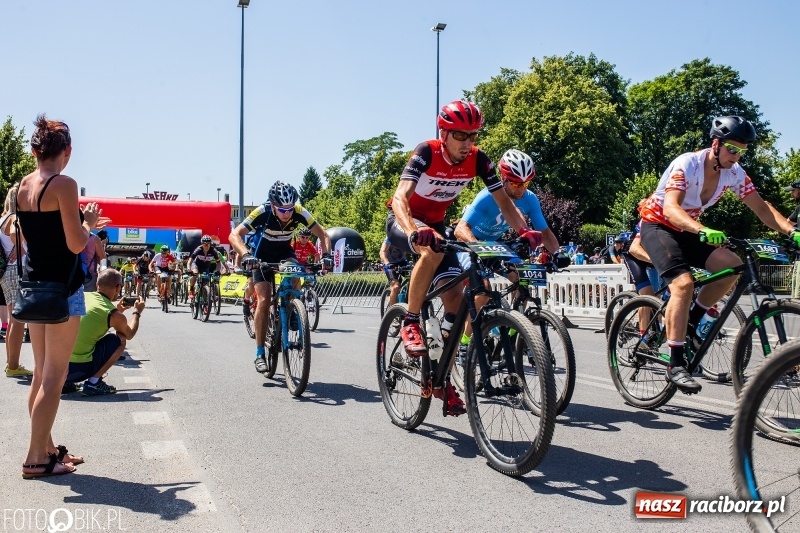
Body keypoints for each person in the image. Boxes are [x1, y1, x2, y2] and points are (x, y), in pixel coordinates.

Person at [385, 102, 541, 416]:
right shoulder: (426, 153)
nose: (467, 142)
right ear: (443, 133)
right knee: (430, 250)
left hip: (440, 226)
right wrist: (413, 230)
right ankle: (411, 322)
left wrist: (524, 231)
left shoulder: (479, 160)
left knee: (456, 301)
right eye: (459, 135)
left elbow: (505, 203)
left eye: (472, 135)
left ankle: (441, 375)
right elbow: (401, 197)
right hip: (405, 221)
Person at [639, 115, 800, 394]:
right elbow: (672, 209)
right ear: (716, 144)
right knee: (683, 284)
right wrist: (701, 228)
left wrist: (791, 231)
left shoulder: (734, 173)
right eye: (732, 149)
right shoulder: (687, 163)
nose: (736, 156)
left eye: (742, 151)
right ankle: (675, 364)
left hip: (690, 229)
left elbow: (762, 208)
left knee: (734, 267)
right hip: (659, 225)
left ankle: (692, 318)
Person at [17, 114, 107, 478]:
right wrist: (89, 225)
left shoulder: (21, 186)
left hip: (35, 286)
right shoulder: (64, 185)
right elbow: (75, 243)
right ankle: (35, 458)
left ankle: (47, 448)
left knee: (41, 374)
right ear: (67, 151)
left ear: (34, 150)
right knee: (55, 376)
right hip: (64, 288)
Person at [455, 149, 561, 356]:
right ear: (503, 179)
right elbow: (461, 229)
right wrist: (479, 248)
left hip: (495, 244)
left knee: (523, 278)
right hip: (469, 244)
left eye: (526, 183)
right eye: (515, 183)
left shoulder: (530, 200)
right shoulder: (486, 197)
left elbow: (545, 232)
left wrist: (558, 253)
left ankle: (515, 330)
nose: (521, 189)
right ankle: (466, 341)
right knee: (483, 290)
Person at [229, 181, 332, 374]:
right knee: (265, 299)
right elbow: (234, 235)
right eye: (282, 210)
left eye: (290, 209)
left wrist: (326, 257)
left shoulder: (300, 211)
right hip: (260, 256)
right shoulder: (262, 211)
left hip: (284, 253)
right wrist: (246, 256)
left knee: (296, 275)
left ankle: (293, 309)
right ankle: (260, 353)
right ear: (273, 205)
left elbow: (323, 234)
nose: (287, 213)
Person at [64, 269, 144, 396]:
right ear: (117, 288)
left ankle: (64, 383)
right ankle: (93, 383)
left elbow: (91, 325)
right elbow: (129, 334)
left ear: (97, 285)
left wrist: (117, 310)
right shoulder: (111, 313)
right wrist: (136, 313)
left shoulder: (81, 296)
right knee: (120, 338)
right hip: (78, 370)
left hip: (57, 368)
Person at [0, 185, 32, 378]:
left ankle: (11, 363)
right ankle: (13, 365)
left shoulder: (2, 218)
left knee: (14, 320)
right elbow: (15, 234)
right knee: (18, 320)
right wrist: (22, 249)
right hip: (16, 270)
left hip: (6, 273)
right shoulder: (14, 218)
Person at [379, 238, 410, 309]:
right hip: (390, 262)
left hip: (402, 262)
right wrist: (387, 263)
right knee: (395, 286)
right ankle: (392, 311)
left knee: (413, 280)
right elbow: (382, 252)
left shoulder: (409, 237)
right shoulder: (391, 237)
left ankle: (407, 303)